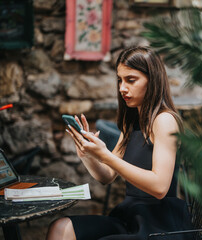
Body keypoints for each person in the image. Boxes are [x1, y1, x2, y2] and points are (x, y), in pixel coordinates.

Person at [46, 46, 192, 240]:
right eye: (120, 80)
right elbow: (107, 176)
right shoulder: (131, 122)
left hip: (158, 223)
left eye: (131, 80)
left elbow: (159, 187)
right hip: (130, 216)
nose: (122, 88)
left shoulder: (164, 121)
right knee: (60, 227)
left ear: (153, 80)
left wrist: (105, 155)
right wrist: (88, 154)